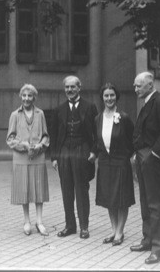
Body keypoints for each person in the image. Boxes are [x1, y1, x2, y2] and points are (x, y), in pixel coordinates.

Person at [131, 72, 160, 264]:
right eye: (135, 86)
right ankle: (148, 239)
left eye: (138, 86)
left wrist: (153, 155)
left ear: (149, 85)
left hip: (152, 159)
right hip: (142, 157)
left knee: (155, 204)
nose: (135, 89)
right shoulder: (147, 102)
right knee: (144, 201)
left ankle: (159, 249)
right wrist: (136, 153)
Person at [50, 75, 98, 239]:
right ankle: (70, 225)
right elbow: (54, 135)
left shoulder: (90, 107)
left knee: (81, 189)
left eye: (72, 87)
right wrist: (54, 158)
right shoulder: (59, 110)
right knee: (67, 190)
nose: (69, 90)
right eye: (67, 87)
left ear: (79, 88)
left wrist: (94, 151)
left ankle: (84, 226)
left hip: (82, 150)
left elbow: (96, 132)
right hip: (64, 151)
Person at [93, 83, 135, 246]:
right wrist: (93, 154)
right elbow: (96, 141)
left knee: (121, 198)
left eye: (112, 95)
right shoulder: (98, 118)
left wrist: (129, 155)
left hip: (120, 162)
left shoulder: (123, 118)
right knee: (110, 198)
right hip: (105, 163)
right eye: (106, 95)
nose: (109, 98)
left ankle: (120, 231)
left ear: (116, 97)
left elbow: (133, 139)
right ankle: (113, 230)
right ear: (102, 98)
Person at [6, 84, 50, 236]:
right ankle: (27, 221)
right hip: (21, 158)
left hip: (38, 156)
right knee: (24, 189)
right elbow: (10, 139)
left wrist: (39, 146)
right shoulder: (15, 115)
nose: (26, 98)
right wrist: (23, 145)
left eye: (29, 96)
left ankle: (39, 221)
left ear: (34, 97)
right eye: (24, 95)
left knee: (38, 190)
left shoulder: (40, 114)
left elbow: (46, 136)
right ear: (21, 97)